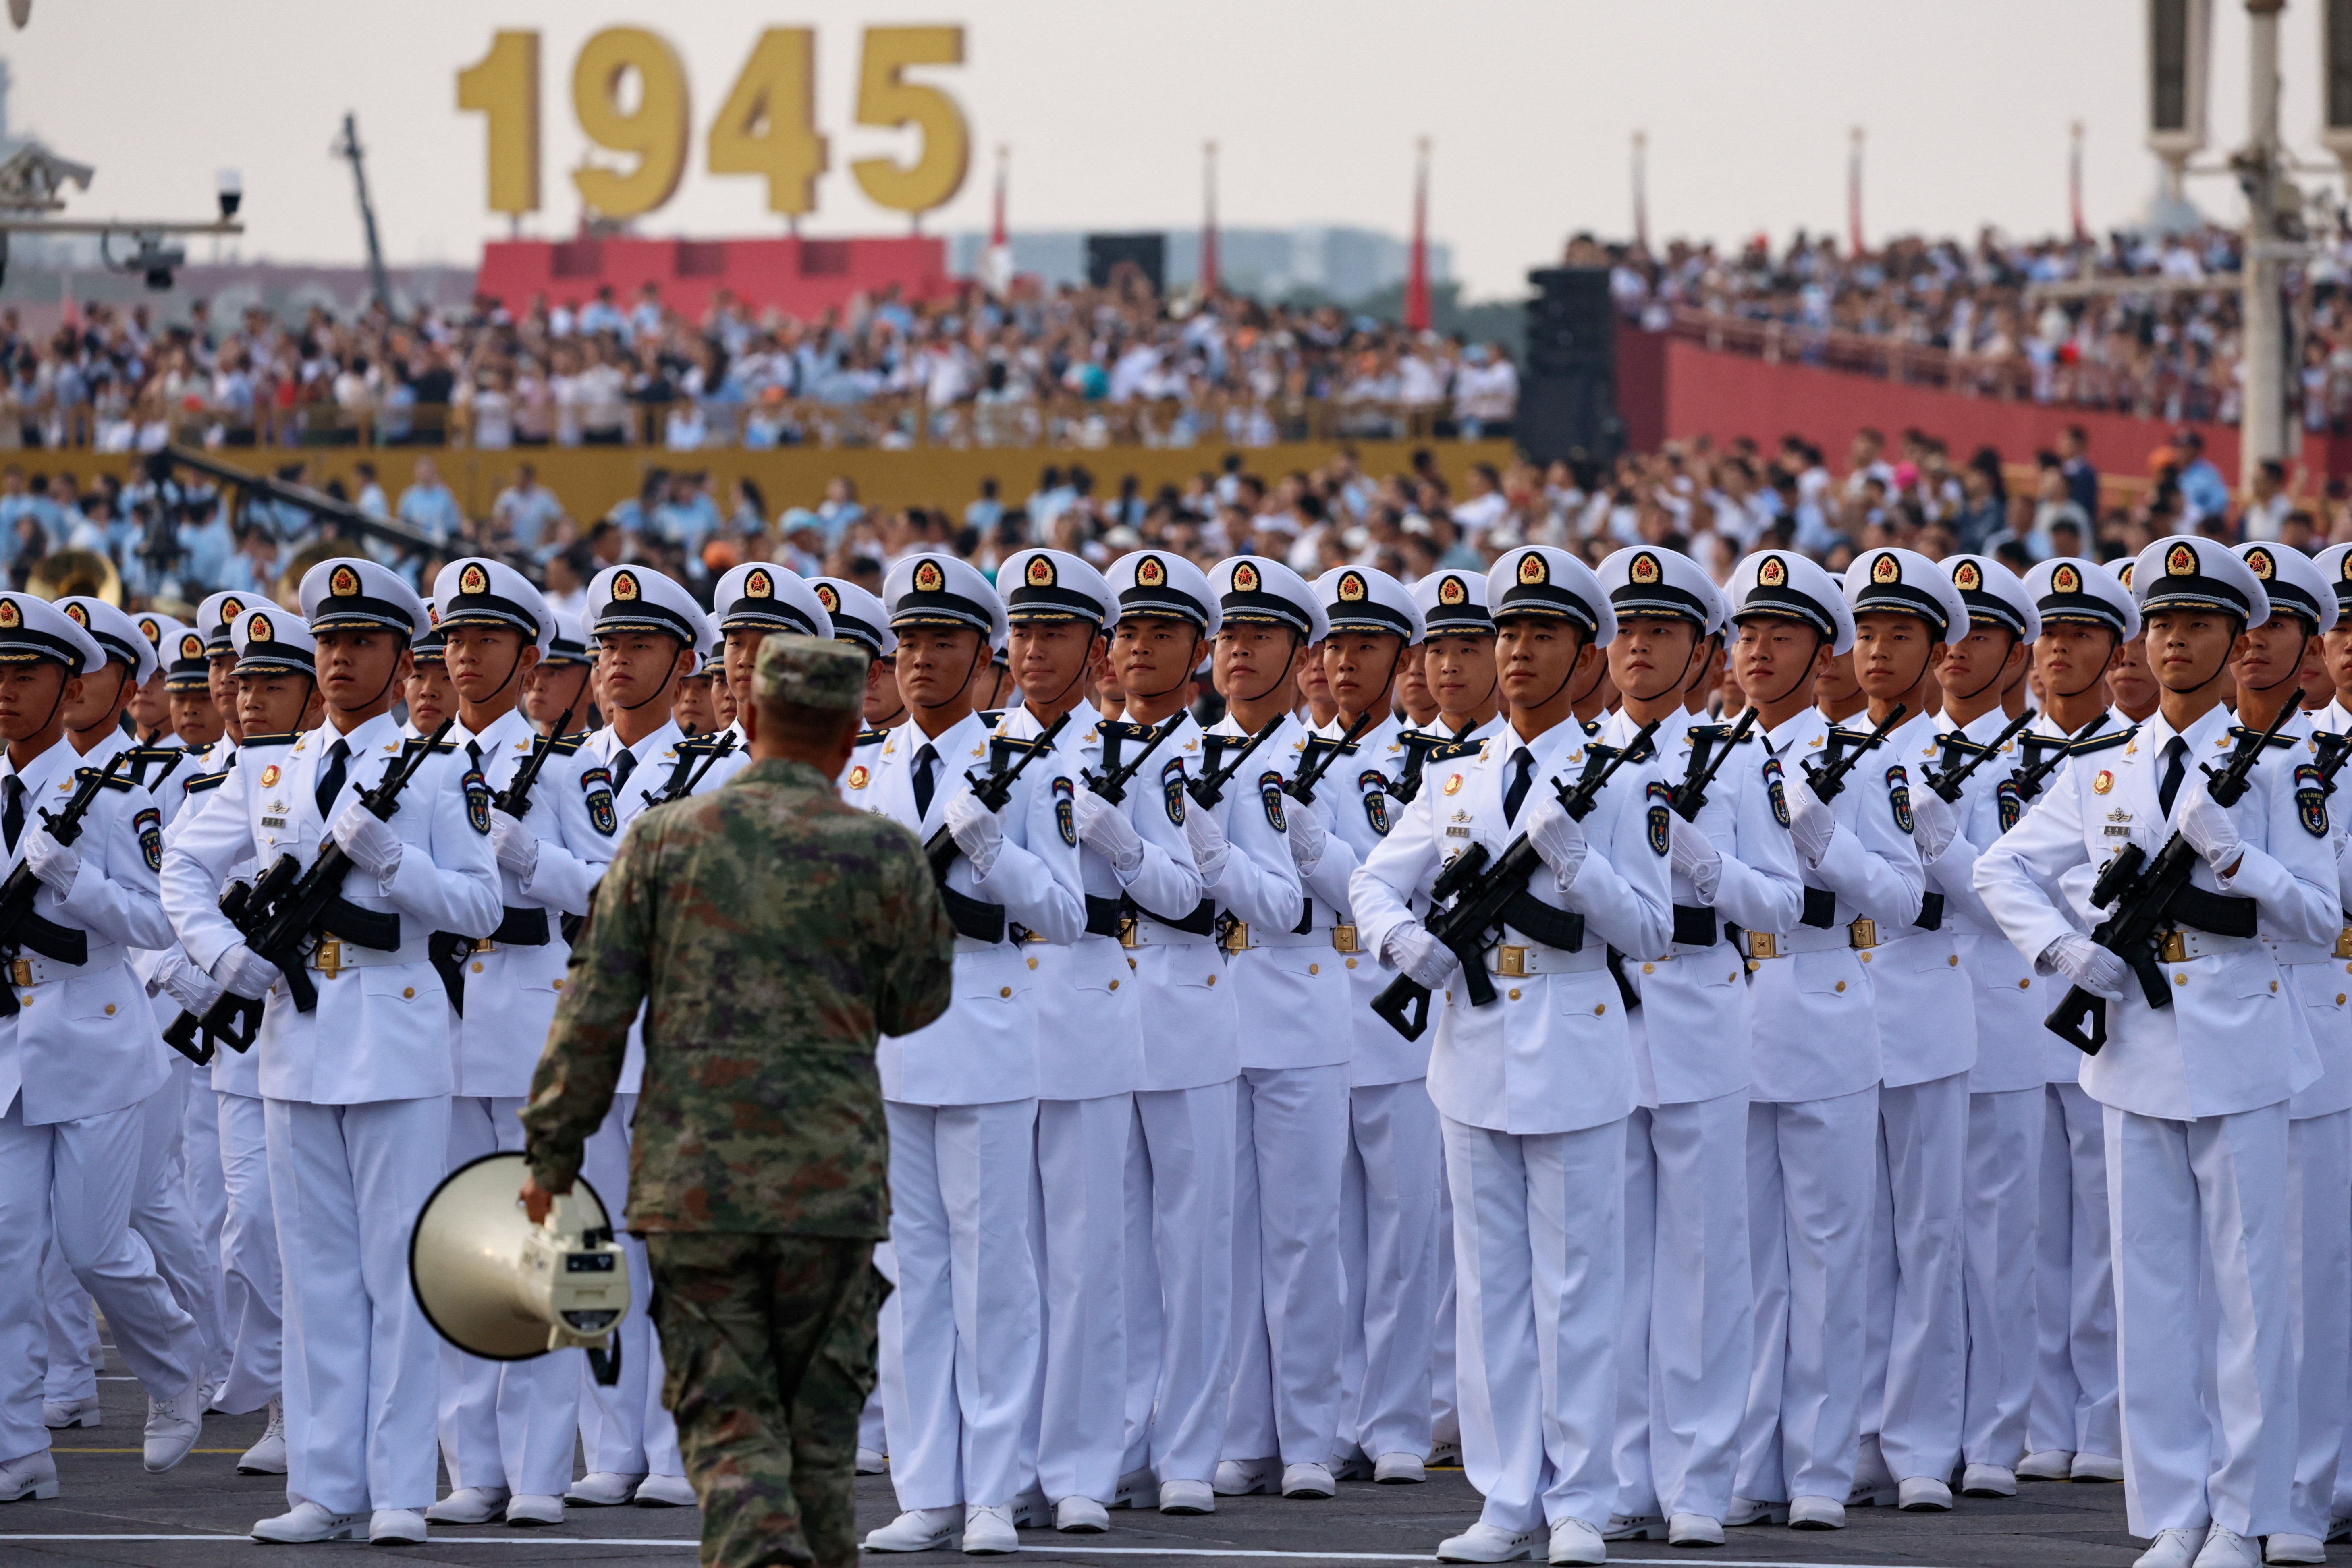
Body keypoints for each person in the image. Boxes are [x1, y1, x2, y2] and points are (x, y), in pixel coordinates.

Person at [520, 634, 956, 1568]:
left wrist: (551, 1154)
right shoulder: (883, 851)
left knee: (731, 1430)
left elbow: (594, 1013)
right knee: (820, 1446)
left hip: (695, 1187)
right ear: (850, 737)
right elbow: (920, 1000)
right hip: (830, 1189)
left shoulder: (662, 840)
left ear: (745, 718)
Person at [1976, 536, 2334, 1568]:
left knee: (2251, 1291)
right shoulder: (2108, 771)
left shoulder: (2281, 769)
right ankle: (2175, 1506)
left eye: (2201, 623)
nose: (2177, 638)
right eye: (2165, 622)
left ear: (2239, 641)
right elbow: (2004, 867)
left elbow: (2316, 917)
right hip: (2135, 1037)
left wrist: (2239, 854)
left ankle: (2245, 1511)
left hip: (2244, 1040)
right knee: (2155, 1289)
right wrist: (2059, 948)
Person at [160, 557, 501, 1544]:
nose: (341, 658)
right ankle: (324, 1484)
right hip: (294, 1038)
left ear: (403, 658)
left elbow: (480, 905)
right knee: (310, 1276)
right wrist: (224, 952)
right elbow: (182, 864)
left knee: (397, 1271)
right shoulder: (270, 765)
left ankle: (397, 1488)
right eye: (329, 642)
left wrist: (396, 861)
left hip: (395, 1030)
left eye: (361, 642)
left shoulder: (442, 771)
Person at [1351, 546, 1671, 1566]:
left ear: (1589, 658)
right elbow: (1371, 882)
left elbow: (1654, 929)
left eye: (1545, 635)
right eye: (1510, 634)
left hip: (1576, 1040)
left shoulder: (1623, 779)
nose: (1521, 652)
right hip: (1473, 1047)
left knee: (1580, 1287)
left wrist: (1578, 865)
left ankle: (1581, 1496)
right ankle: (1505, 1497)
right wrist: (1407, 943)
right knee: (1491, 1289)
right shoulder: (1457, 778)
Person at [853, 552, 1084, 1556]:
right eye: (907, 641)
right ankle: (927, 1486)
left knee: (996, 1272)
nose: (919, 659)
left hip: (987, 1028)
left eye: (942, 640)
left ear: (984, 656)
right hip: (886, 1043)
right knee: (909, 1276)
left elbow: (1068, 914)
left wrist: (997, 851)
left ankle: (994, 1485)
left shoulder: (1030, 762)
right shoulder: (860, 769)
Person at [1593, 547, 1800, 1549]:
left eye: (1663, 631)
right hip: (1596, 1020)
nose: (1639, 647)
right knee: (1609, 1263)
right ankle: (1619, 1472)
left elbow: (1782, 901)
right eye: (1628, 629)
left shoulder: (1732, 762)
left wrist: (1705, 861)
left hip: (1704, 1010)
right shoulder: (1572, 755)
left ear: (1704, 651)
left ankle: (1698, 1479)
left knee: (1704, 1262)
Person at [992, 548, 1200, 1532]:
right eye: (1024, 630)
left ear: (1095, 650)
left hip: (1085, 1010)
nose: (1034, 650)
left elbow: (1181, 894)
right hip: (989, 1019)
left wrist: (1116, 838)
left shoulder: (1130, 755)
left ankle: (1082, 1466)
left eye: (1058, 632)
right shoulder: (973, 748)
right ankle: (1006, 1461)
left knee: (1087, 1259)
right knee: (1003, 1258)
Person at [1724, 548, 1922, 1532]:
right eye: (1749, 633)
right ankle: (1750, 1458)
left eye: (1783, 635)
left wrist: (1823, 840)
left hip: (1829, 1003)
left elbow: (1903, 896)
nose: (1760, 651)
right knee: (1747, 1258)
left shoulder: (1867, 756)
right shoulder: (1701, 754)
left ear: (1825, 650)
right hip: (1727, 1017)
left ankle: (1819, 1466)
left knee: (1834, 1254)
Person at [0, 593, 209, 1504]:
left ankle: (176, 1368)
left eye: (27, 675)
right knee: (7, 1251)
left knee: (91, 1244)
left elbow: (161, 918)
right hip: (9, 1044)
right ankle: (18, 1448)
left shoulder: (116, 794)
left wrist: (76, 879)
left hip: (95, 1035)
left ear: (73, 685)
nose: (8, 692)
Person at [423, 557, 613, 1528]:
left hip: (533, 1011)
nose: (465, 654)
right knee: (457, 1244)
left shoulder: (572, 764)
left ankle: (541, 1466)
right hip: (439, 1021)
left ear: (530, 655)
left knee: (544, 1239)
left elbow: (615, 885)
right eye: (454, 637)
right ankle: (473, 1466)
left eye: (487, 638)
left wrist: (528, 857)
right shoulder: (410, 764)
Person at [1098, 550, 1248, 1517]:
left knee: (1194, 1244)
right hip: (1096, 1008)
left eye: (1162, 631)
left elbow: (1218, 894)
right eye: (1129, 630)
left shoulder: (1218, 760)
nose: (1141, 647)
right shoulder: (1066, 751)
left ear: (1199, 648)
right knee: (1108, 1249)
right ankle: (1117, 1434)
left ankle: (1191, 1445)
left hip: (1190, 996)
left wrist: (1133, 845)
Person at [1199, 556, 1347, 1506]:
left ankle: (1308, 1436)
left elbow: (1361, 892)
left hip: (1299, 1008)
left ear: (1302, 653)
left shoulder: (1331, 762)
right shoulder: (1177, 752)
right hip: (1208, 1015)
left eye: (1259, 636)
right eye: (1227, 635)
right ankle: (1240, 1432)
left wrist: (1306, 837)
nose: (1239, 651)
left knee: (1302, 1236)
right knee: (1223, 1237)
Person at [567, 563, 714, 1510]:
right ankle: (607, 1442)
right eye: (607, 645)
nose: (619, 661)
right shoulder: (556, 766)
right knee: (591, 1249)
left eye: (641, 646)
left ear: (685, 663)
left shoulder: (714, 770)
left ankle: (673, 1444)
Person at [1835, 548, 1976, 1518]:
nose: (1880, 651)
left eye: (1902, 635)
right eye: (1870, 633)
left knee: (1929, 1235)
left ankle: (1923, 1439)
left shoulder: (1958, 759)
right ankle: (1844, 1437)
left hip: (1926, 1007)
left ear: (1936, 649)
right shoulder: (1808, 750)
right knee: (1842, 1240)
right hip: (1834, 1013)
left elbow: (1986, 898)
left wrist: (1942, 837)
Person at [1305, 566, 1440, 1490]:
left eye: (1367, 646)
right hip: (1308, 1014)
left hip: (1400, 1019)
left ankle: (1396, 1417)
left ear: (1403, 658)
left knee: (1403, 1231)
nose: (1346, 662)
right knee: (1315, 1234)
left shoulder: (1432, 766)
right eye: (1336, 645)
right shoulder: (1275, 761)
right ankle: (1320, 1413)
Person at [1919, 556, 2046, 1501]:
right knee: (1920, 1235)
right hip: (1909, 1013)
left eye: (1984, 636)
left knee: (2001, 1233)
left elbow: (2020, 898)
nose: (1960, 653)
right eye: (1949, 635)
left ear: (2016, 652)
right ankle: (1918, 1428)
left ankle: (1998, 1430)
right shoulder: (1895, 751)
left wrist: (1942, 846)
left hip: (2004, 1010)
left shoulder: (2042, 761)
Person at [2011, 556, 2138, 1489]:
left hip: (2113, 1011)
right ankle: (2042, 1417)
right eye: (2051, 634)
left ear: (2112, 649)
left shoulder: (2138, 751)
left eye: (2082, 635)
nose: (2062, 650)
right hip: (2013, 1017)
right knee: (2029, 1232)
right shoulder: (2002, 750)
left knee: (2106, 1233)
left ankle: (2108, 1417)